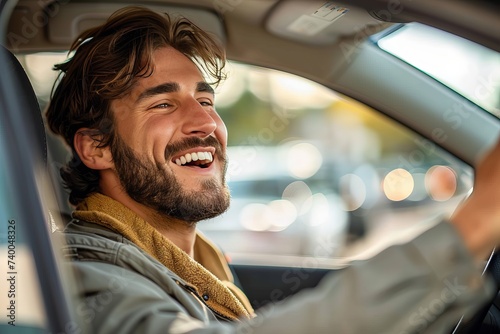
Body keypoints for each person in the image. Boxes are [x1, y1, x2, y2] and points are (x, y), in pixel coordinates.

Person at [45, 6, 500, 334]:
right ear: (96, 147)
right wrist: (472, 226)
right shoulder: (83, 277)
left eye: (205, 100)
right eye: (164, 103)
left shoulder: (194, 263)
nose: (206, 122)